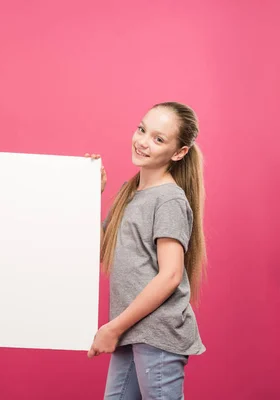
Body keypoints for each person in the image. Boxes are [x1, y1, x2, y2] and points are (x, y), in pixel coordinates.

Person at [86, 102, 207, 399]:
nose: (142, 141)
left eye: (158, 139)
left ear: (179, 153)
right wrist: (89, 195)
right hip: (131, 332)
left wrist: (113, 328)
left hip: (156, 334)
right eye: (142, 129)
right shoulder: (130, 192)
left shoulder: (168, 200)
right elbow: (101, 251)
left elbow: (170, 276)